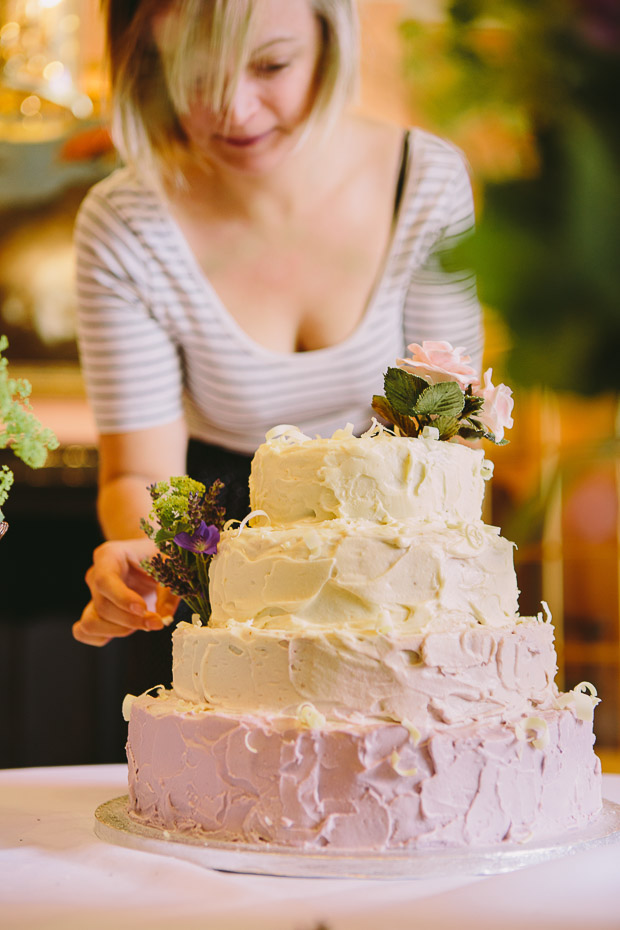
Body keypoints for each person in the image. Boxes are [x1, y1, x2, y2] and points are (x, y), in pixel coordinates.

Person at [72, 0, 482, 649]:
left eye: (271, 64)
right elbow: (138, 474)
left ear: (330, 37)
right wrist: (156, 556)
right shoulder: (123, 226)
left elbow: (452, 427)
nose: (236, 109)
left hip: (396, 541)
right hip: (215, 553)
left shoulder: (425, 181)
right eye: (196, 74)